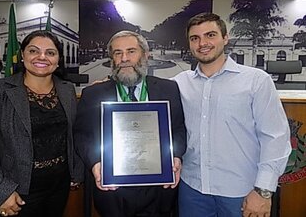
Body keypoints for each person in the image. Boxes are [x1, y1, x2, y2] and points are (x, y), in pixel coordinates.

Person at [173, 12, 291, 217]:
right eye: (195, 38)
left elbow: (275, 137)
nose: (203, 43)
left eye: (210, 35)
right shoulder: (179, 83)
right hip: (192, 190)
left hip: (242, 191)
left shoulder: (256, 80)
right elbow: (144, 97)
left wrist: (263, 190)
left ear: (225, 38)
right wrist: (104, 88)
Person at [0, 30, 83, 217]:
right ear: (22, 55)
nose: (42, 57)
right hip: (15, 191)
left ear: (58, 59)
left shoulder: (67, 89)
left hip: (58, 187)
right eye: (33, 51)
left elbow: (71, 134)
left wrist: (74, 172)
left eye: (50, 53)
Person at [74, 30, 187, 217]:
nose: (124, 58)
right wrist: (95, 162)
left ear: (145, 55)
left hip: (159, 190)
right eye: (117, 53)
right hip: (112, 191)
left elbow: (178, 130)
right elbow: (82, 135)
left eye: (131, 51)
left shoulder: (169, 89)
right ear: (112, 59)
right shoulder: (93, 94)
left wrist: (175, 156)